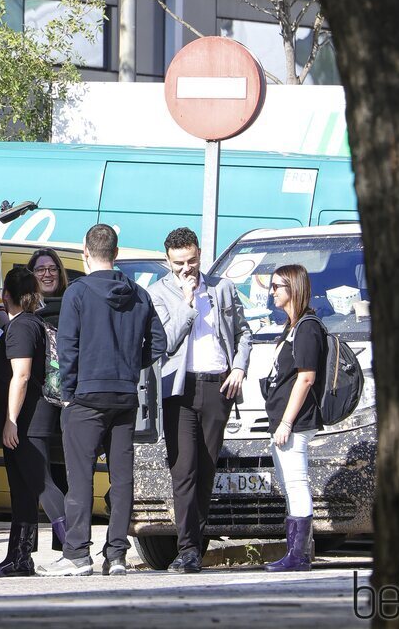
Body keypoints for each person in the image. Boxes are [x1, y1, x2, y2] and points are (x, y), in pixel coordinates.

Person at [37, 224, 166, 577]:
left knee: (80, 478)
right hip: (124, 396)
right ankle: (117, 555)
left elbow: (67, 349)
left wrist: (69, 393)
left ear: (85, 252)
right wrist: (127, 366)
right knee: (121, 479)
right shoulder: (139, 293)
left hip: (85, 397)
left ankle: (77, 554)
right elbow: (158, 343)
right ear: (117, 252)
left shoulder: (77, 293)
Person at [147, 227, 252, 573]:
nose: (186, 269)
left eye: (192, 261)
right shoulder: (158, 293)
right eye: (179, 263)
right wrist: (189, 302)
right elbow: (168, 341)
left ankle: (197, 544)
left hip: (217, 387)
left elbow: (243, 333)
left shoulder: (222, 287)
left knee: (206, 469)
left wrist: (239, 366)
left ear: (200, 255)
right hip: (179, 389)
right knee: (184, 470)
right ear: (168, 261)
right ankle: (188, 548)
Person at [0, 267, 67, 577]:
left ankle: (75, 549)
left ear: (7, 295)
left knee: (41, 483)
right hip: (24, 418)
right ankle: (19, 557)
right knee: (22, 489)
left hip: (28, 419)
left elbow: (22, 375)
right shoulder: (23, 324)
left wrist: (11, 420)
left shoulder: (23, 328)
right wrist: (2, 318)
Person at [261, 264, 324, 573]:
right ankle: (295, 553)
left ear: (293, 289)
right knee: (289, 485)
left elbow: (306, 378)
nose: (272, 291)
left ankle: (298, 555)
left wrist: (286, 422)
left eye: (277, 286)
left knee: (297, 484)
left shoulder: (307, 326)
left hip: (296, 423)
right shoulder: (291, 326)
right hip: (283, 420)